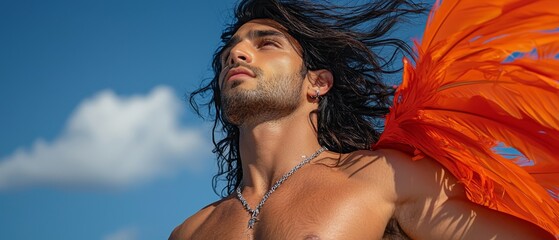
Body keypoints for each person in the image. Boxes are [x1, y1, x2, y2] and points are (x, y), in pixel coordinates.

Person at [170, 0, 559, 239]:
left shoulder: (380, 176)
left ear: (317, 84)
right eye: (228, 54)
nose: (236, 54)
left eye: (265, 43)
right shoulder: (190, 231)